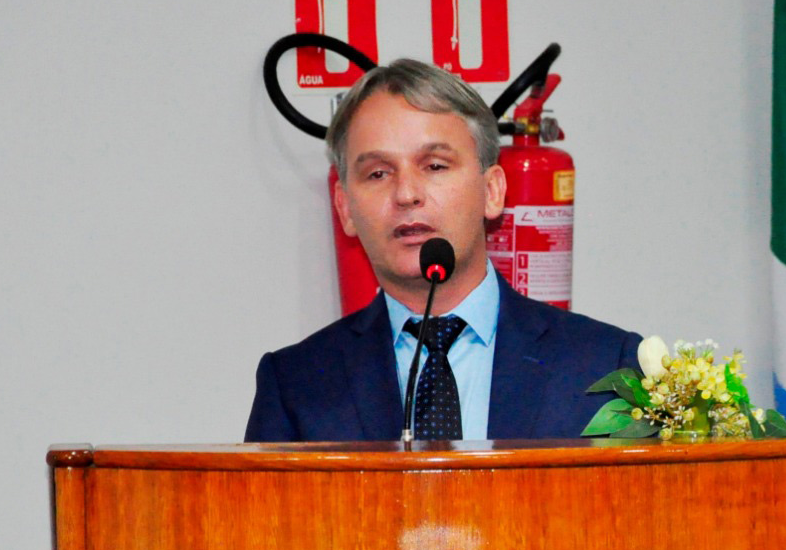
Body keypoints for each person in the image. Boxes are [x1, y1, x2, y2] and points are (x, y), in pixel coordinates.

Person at [246, 59, 640, 441]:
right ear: (345, 208)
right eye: (378, 173)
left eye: (435, 166)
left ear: (492, 191)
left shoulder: (606, 367)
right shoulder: (295, 384)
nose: (406, 194)